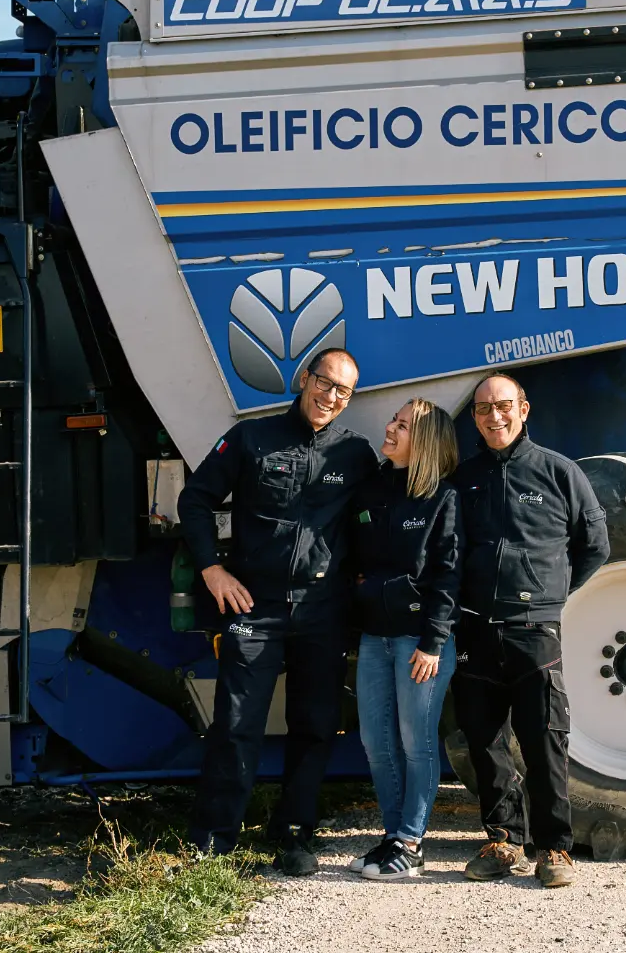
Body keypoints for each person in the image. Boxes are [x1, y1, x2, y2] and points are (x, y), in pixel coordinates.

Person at [177, 348, 379, 876]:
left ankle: (293, 834)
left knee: (315, 726)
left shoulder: (355, 453)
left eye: (342, 391)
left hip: (323, 609)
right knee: (235, 724)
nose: (330, 396)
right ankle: (212, 843)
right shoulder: (251, 437)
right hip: (255, 606)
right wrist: (212, 570)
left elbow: (375, 520)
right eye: (324, 382)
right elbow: (195, 500)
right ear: (304, 378)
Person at [451, 373, 609, 888]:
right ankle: (502, 842)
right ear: (474, 418)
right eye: (482, 409)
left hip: (533, 631)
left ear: (523, 409)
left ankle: (554, 849)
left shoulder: (560, 472)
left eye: (502, 406)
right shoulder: (463, 479)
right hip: (475, 631)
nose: (493, 416)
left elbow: (594, 546)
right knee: (485, 743)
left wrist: (549, 595)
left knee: (544, 742)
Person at [345, 398, 462, 881]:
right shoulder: (370, 489)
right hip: (375, 637)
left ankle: (411, 842)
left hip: (420, 642)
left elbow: (448, 574)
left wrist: (433, 642)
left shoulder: (442, 498)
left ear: (427, 442)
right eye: (394, 421)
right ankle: (393, 837)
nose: (391, 429)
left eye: (404, 426)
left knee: (417, 742)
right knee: (376, 742)